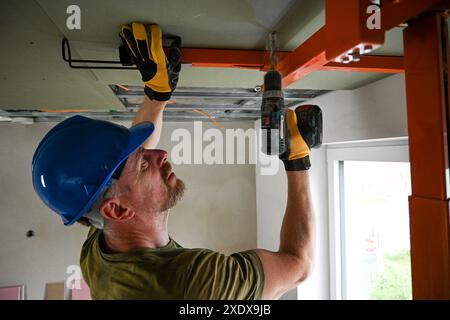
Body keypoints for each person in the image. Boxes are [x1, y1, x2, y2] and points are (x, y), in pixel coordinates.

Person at [31, 23, 316, 300]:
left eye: (144, 155)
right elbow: (298, 265)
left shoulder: (103, 242)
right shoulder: (193, 287)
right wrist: (298, 162)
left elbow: (123, 172)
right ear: (116, 209)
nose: (161, 154)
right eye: (145, 164)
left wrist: (157, 95)